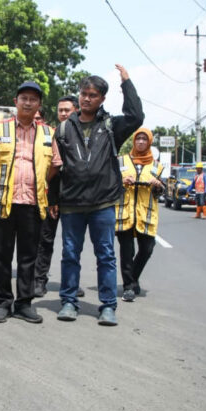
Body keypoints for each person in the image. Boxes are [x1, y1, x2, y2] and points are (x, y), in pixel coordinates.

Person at [48, 65, 144, 326]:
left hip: (103, 203)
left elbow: (136, 116)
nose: (86, 98)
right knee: (70, 254)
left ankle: (108, 306)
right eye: (83, 94)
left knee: (105, 255)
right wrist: (53, 200)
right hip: (71, 204)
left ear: (102, 98)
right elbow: (57, 166)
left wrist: (126, 82)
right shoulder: (65, 128)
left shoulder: (112, 125)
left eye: (92, 95)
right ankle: (68, 301)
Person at [0, 82, 61, 324]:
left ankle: (24, 303)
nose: (28, 103)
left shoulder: (49, 133)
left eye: (33, 99)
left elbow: (55, 165)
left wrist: (39, 183)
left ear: (39, 105)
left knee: (29, 257)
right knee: (2, 256)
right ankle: (3, 302)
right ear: (15, 101)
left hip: (33, 204)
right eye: (23, 98)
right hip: (3, 203)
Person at [33, 95, 86, 298]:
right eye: (60, 110)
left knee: (72, 243)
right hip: (50, 197)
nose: (63, 114)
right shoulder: (51, 135)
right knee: (45, 240)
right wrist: (52, 199)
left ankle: (71, 282)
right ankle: (39, 281)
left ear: (76, 111)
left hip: (76, 199)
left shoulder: (83, 136)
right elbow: (50, 169)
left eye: (67, 110)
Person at [115, 127, 164, 302]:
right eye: (138, 139)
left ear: (149, 142)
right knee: (127, 252)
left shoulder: (157, 166)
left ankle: (133, 277)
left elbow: (161, 192)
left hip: (146, 215)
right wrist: (121, 181)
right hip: (124, 213)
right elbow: (110, 185)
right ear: (134, 141)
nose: (141, 142)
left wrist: (157, 185)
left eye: (144, 139)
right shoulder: (120, 161)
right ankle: (128, 287)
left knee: (147, 249)